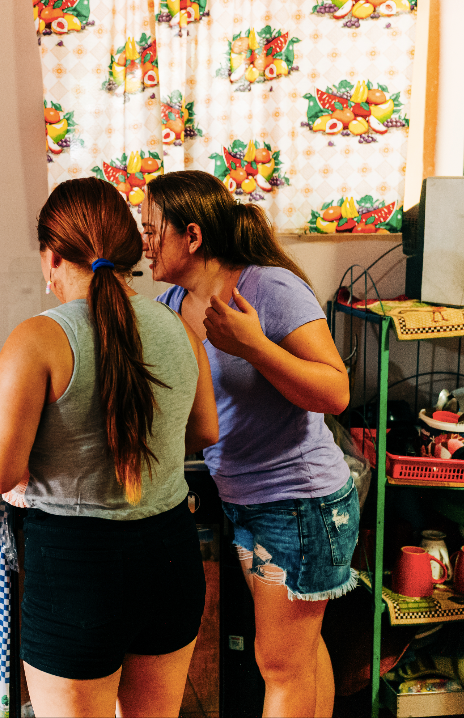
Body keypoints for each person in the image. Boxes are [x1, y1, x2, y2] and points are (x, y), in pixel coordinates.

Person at [0, 176, 219, 718]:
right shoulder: (177, 327)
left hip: (77, 569)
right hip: (169, 555)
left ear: (51, 257)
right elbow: (205, 432)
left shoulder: (38, 339)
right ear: (128, 251)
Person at [143, 170, 357, 718]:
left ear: (191, 236)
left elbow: (335, 392)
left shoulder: (267, 289)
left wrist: (256, 346)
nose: (144, 242)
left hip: (300, 501)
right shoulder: (172, 304)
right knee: (301, 655)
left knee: (279, 666)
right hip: (245, 498)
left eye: (153, 230)